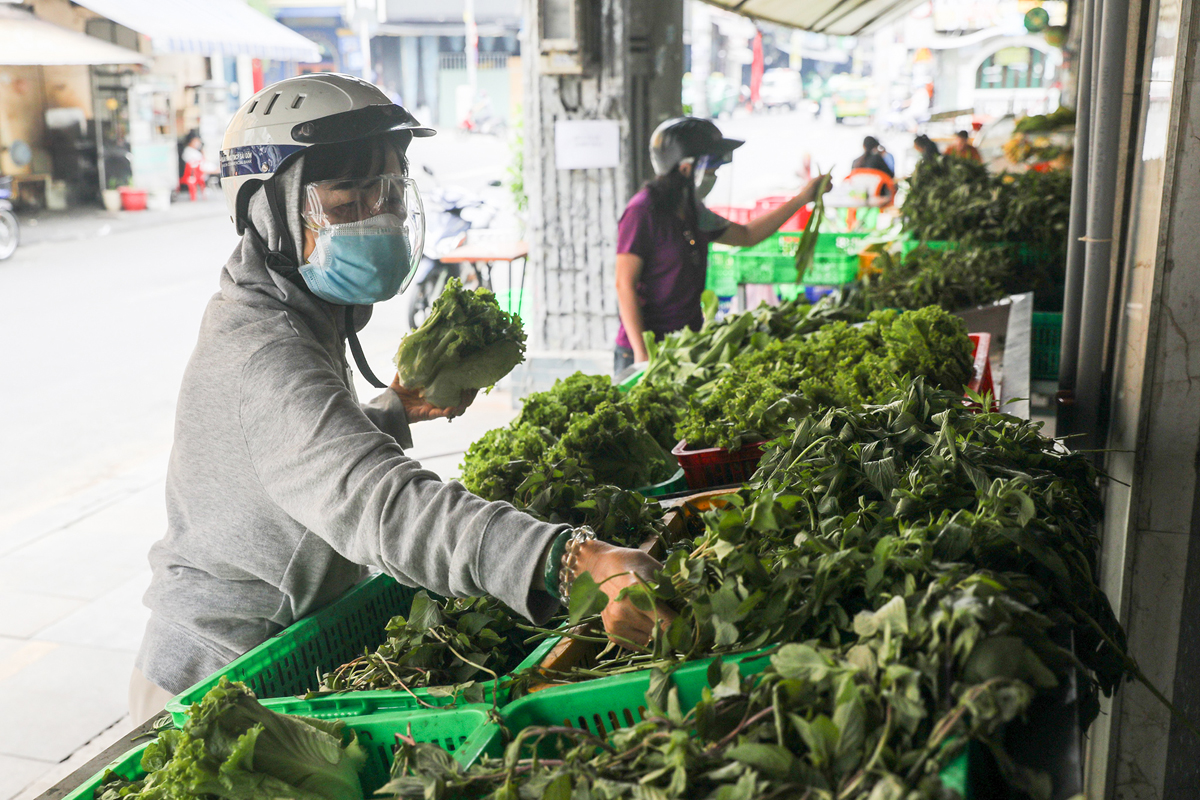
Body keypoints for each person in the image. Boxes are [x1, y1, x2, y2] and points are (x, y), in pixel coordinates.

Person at [130, 73, 673, 722]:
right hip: (212, 690)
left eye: (388, 193)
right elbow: (384, 506)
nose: (378, 218)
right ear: (268, 208)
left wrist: (389, 411)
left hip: (275, 655)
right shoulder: (262, 352)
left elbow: (301, 464)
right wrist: (567, 557)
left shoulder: (295, 312)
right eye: (347, 200)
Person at [614, 117, 828, 373]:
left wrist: (803, 198)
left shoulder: (691, 210)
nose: (714, 177)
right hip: (646, 350)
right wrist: (642, 354)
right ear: (685, 168)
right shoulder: (643, 212)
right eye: (711, 170)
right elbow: (624, 284)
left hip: (685, 344)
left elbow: (747, 235)